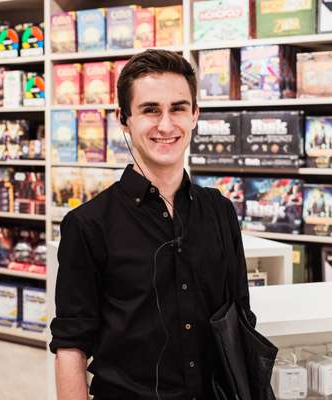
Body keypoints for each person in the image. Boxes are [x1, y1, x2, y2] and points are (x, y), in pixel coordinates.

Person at [49, 49, 255, 400]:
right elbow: (72, 344)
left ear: (195, 115)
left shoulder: (219, 211)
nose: (165, 125)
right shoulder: (87, 224)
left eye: (178, 108)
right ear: (124, 119)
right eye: (150, 110)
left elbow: (241, 322)